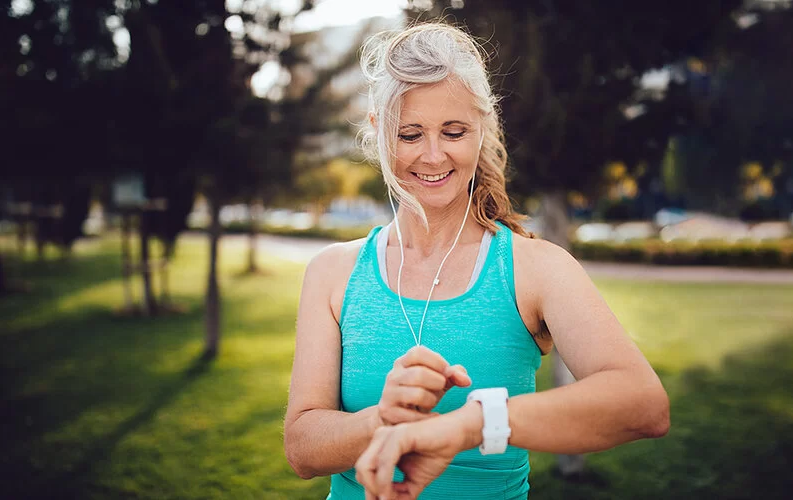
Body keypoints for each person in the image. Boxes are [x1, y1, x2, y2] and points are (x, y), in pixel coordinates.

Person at [284, 22, 670, 500]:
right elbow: (302, 449)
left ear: (481, 128)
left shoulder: (535, 269)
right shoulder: (333, 272)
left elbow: (644, 405)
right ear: (377, 131)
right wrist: (383, 419)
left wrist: (474, 422)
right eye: (409, 134)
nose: (432, 155)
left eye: (453, 131)